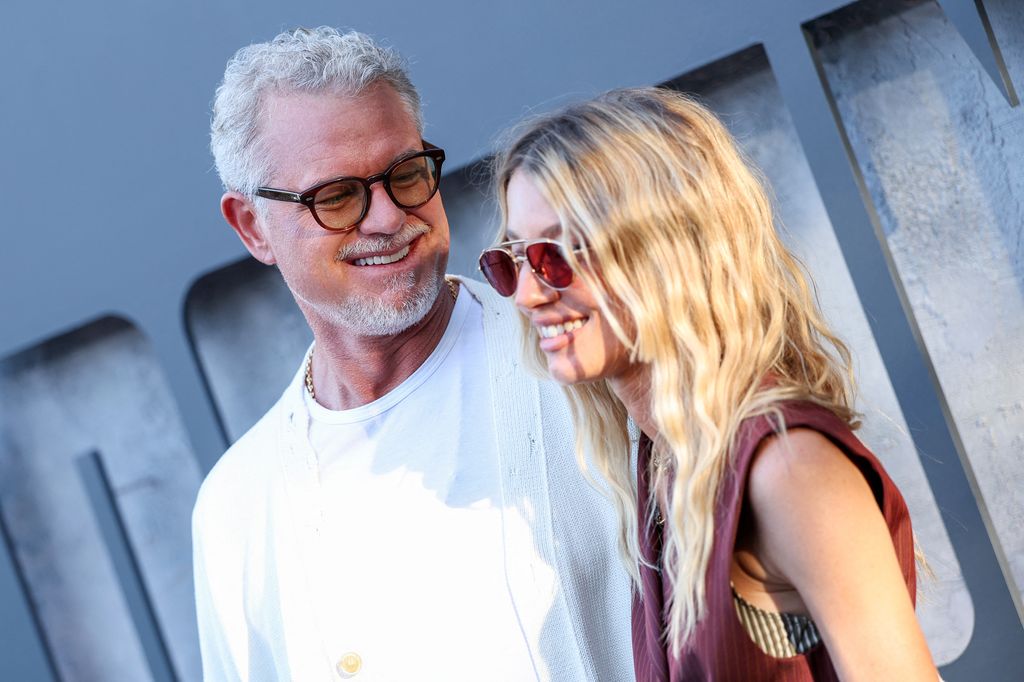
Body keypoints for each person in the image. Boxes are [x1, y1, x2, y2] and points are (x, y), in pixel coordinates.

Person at [192, 27, 633, 681]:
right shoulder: (236, 507)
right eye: (336, 196)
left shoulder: (581, 362)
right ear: (252, 226)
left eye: (406, 174)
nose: (388, 218)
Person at [480, 87, 939, 680]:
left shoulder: (788, 470)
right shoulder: (661, 464)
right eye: (513, 259)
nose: (527, 293)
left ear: (667, 254)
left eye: (559, 254)